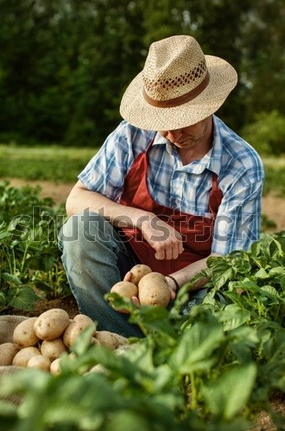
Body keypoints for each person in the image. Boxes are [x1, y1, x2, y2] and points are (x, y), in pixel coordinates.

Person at [59, 35, 264, 338]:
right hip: (128, 269)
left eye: (183, 120)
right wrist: (142, 218)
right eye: (162, 120)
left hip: (195, 284)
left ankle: (167, 346)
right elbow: (76, 199)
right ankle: (121, 341)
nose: (170, 132)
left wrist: (172, 284)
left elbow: (228, 259)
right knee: (79, 231)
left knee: (224, 307)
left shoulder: (241, 165)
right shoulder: (133, 134)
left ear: (209, 105)